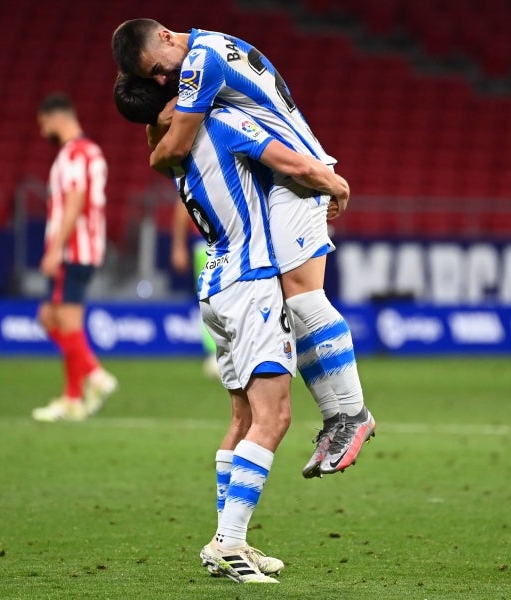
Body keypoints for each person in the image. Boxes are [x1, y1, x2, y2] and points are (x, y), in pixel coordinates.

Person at [114, 73, 350, 583]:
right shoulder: (218, 123)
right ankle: (229, 542)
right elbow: (288, 159)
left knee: (243, 419)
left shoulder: (172, 150)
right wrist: (332, 182)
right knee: (275, 417)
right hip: (252, 283)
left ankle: (230, 537)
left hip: (217, 285)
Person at [112, 20, 374, 477]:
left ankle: (350, 413)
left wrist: (155, 146)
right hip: (286, 178)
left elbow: (173, 148)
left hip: (297, 172)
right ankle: (339, 419)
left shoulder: (200, 62)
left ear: (168, 38)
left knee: (304, 298)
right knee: (293, 306)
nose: (160, 80)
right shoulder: (208, 49)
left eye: (157, 68)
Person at [31, 93, 118, 422]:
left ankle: (94, 377)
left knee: (62, 320)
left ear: (56, 116)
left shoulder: (73, 153)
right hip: (87, 249)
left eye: (44, 124)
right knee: (51, 317)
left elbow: (75, 199)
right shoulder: (92, 152)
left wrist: (55, 249)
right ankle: (73, 397)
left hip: (72, 250)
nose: (43, 132)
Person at [170, 205, 220, 379]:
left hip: (236, 242)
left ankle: (231, 352)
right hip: (205, 243)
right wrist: (178, 246)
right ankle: (216, 353)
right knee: (210, 299)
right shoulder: (194, 176)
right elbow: (183, 205)